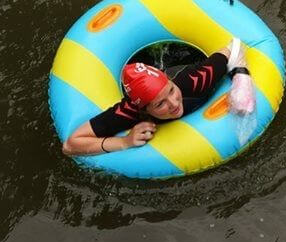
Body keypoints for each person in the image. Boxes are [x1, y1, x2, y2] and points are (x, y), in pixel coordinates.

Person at [62, 39, 251, 156]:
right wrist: (124, 142)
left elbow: (234, 46)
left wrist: (241, 75)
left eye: (170, 91)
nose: (174, 103)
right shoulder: (129, 112)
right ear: (144, 110)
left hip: (177, 67)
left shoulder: (193, 81)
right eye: (160, 104)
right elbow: (71, 145)